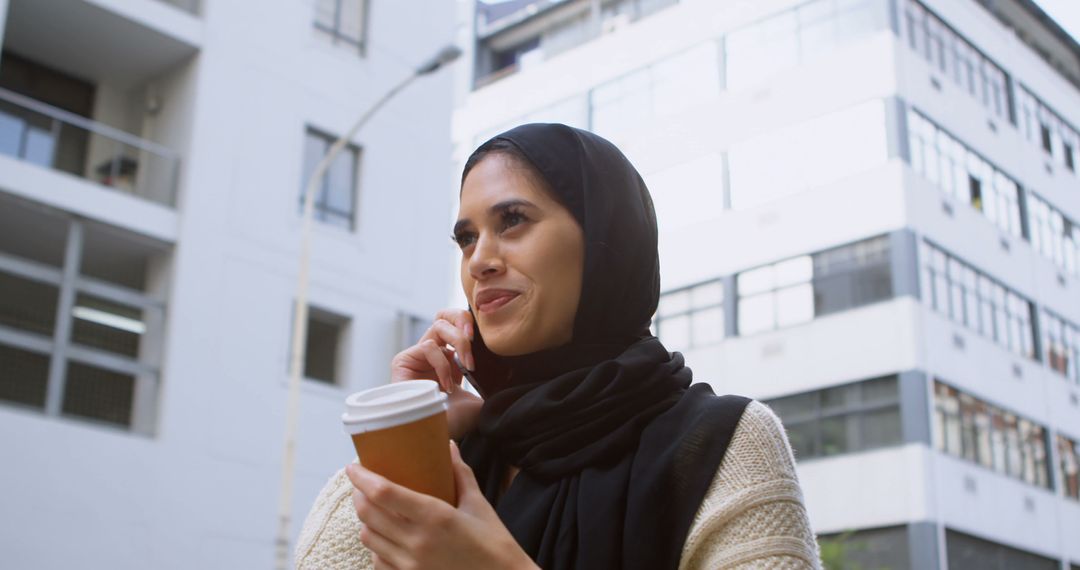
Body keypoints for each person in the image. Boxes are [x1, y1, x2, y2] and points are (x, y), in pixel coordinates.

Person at [295, 123, 821, 569]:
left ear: (603, 241)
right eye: (466, 238)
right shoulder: (466, 450)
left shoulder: (719, 444)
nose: (479, 260)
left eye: (513, 221)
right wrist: (409, 433)